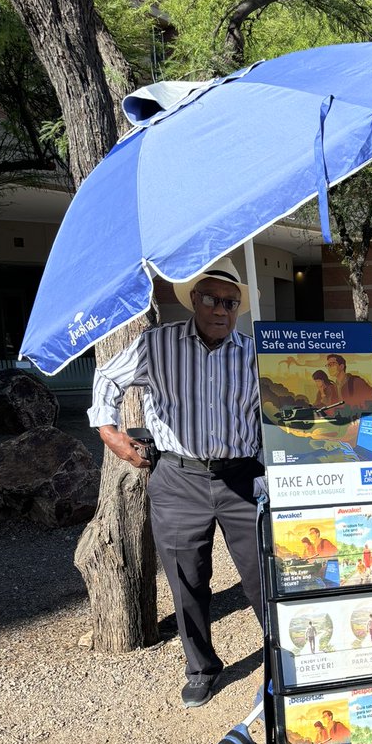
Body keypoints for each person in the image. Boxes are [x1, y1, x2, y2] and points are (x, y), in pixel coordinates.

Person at [88, 257, 263, 709]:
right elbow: (108, 377)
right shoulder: (156, 345)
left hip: (243, 477)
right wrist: (109, 431)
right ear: (193, 301)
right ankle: (202, 667)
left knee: (264, 574)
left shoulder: (256, 353)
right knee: (186, 580)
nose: (221, 309)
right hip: (178, 478)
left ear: (239, 307)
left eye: (230, 301)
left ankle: (286, 657)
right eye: (211, 298)